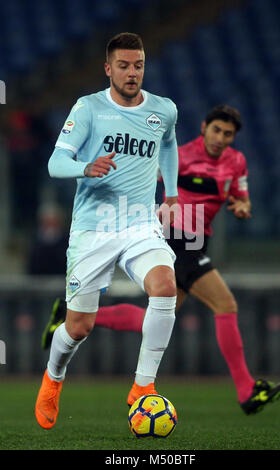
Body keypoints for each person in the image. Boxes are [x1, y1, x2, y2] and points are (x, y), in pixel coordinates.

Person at [42, 105, 280, 416]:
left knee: (157, 318)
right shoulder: (182, 155)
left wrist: (242, 205)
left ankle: (67, 318)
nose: (221, 138)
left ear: (233, 138)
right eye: (217, 130)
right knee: (225, 305)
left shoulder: (236, 162)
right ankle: (247, 391)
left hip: (199, 242)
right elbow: (142, 176)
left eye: (228, 134)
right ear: (204, 127)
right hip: (175, 238)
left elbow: (240, 195)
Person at [35, 32, 179, 430]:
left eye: (138, 65)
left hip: (139, 223)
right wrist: (87, 166)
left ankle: (142, 388)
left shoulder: (163, 110)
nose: (132, 73)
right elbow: (55, 163)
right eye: (123, 66)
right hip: (93, 228)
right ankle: (53, 378)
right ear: (108, 68)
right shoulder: (89, 109)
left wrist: (172, 190)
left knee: (165, 286)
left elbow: (168, 143)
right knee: (79, 327)